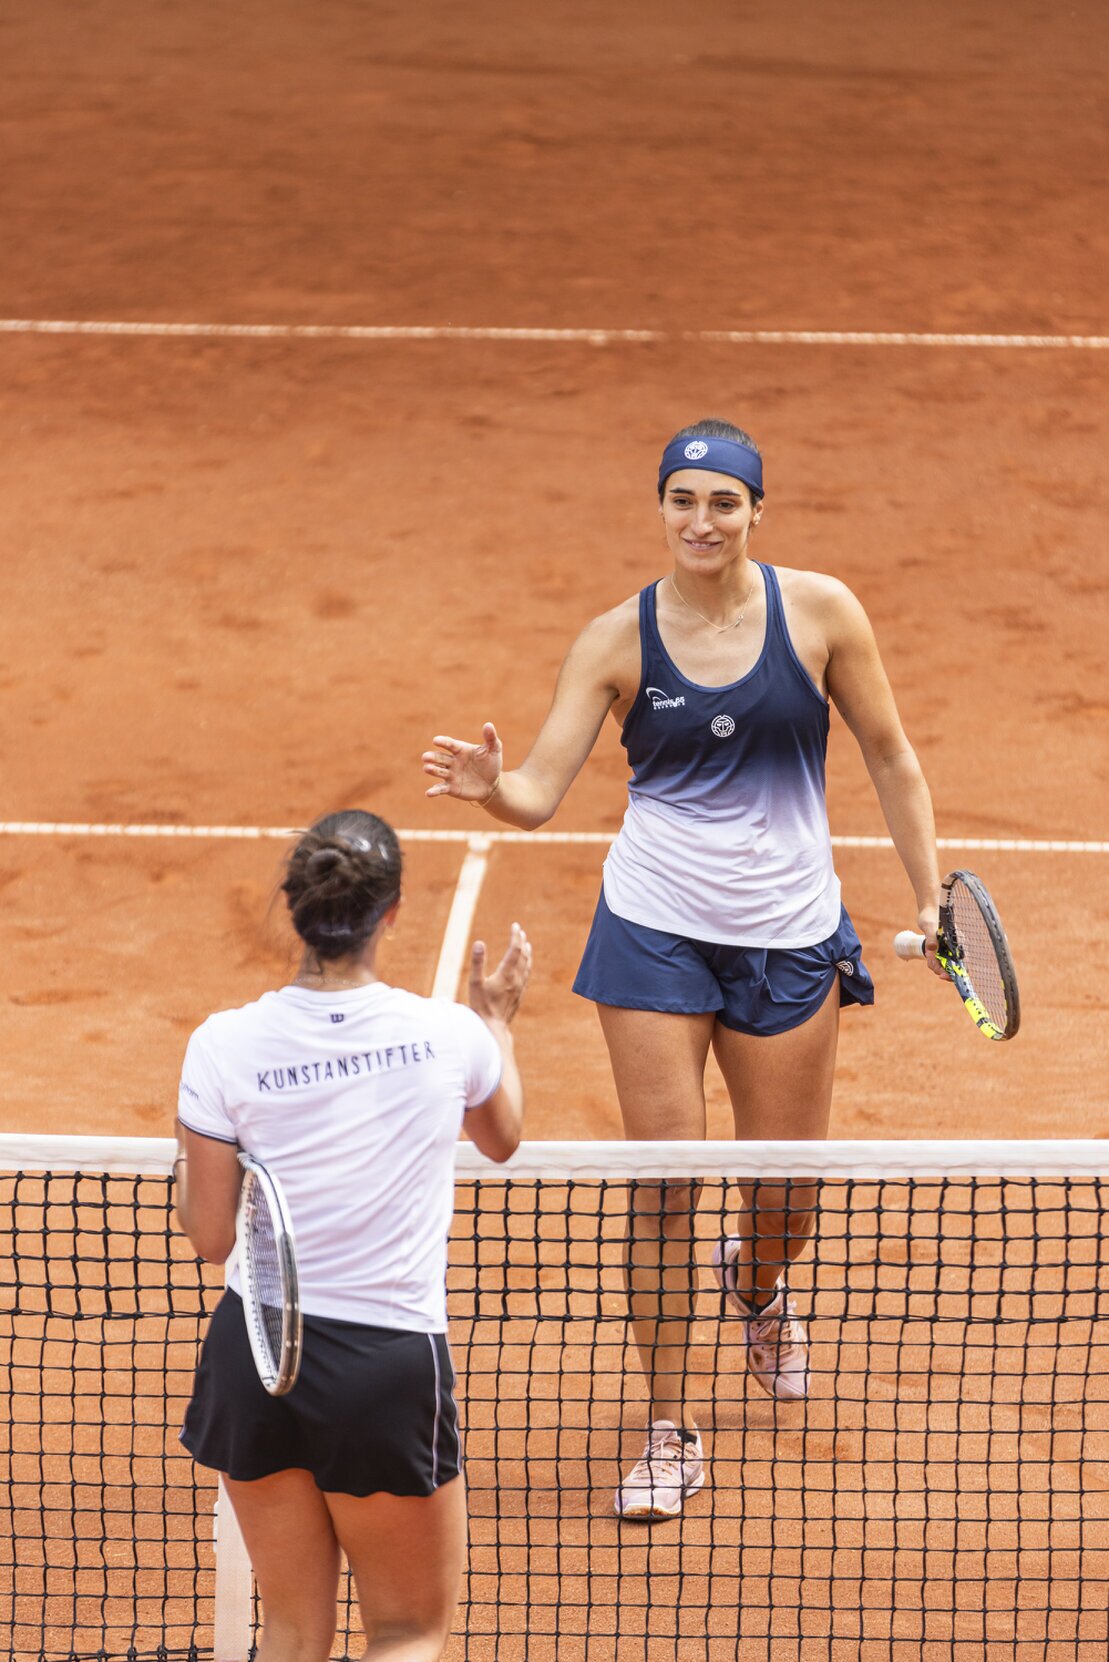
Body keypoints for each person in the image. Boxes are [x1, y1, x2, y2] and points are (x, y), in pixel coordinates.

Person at [422, 418, 945, 1522]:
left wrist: (929, 892)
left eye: (723, 502)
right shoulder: (615, 640)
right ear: (658, 509)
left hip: (790, 931)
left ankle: (753, 1284)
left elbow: (890, 754)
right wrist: (491, 786)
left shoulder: (820, 615)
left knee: (785, 1188)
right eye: (681, 501)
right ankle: (670, 1427)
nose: (700, 521)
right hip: (654, 928)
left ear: (758, 510)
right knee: (661, 1185)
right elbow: (540, 791)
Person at [173, 808, 531, 1662]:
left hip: (254, 1359)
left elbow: (210, 1236)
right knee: (407, 1631)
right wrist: (500, 1027)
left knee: (292, 1634)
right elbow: (502, 1137)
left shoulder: (219, 1046)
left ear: (294, 907)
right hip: (382, 1368)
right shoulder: (451, 1035)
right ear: (392, 912)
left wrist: (186, 1170)